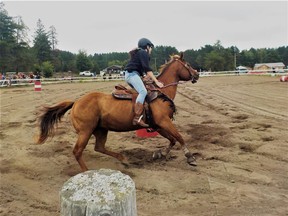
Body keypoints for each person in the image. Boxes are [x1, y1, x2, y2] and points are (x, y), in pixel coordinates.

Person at [124, 38, 164, 127]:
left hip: (133, 74)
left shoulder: (140, 53)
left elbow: (143, 70)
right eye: (151, 48)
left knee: (144, 90)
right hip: (132, 75)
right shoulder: (143, 52)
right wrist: (156, 81)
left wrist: (144, 78)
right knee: (143, 91)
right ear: (147, 46)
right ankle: (137, 118)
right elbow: (147, 69)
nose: (151, 50)